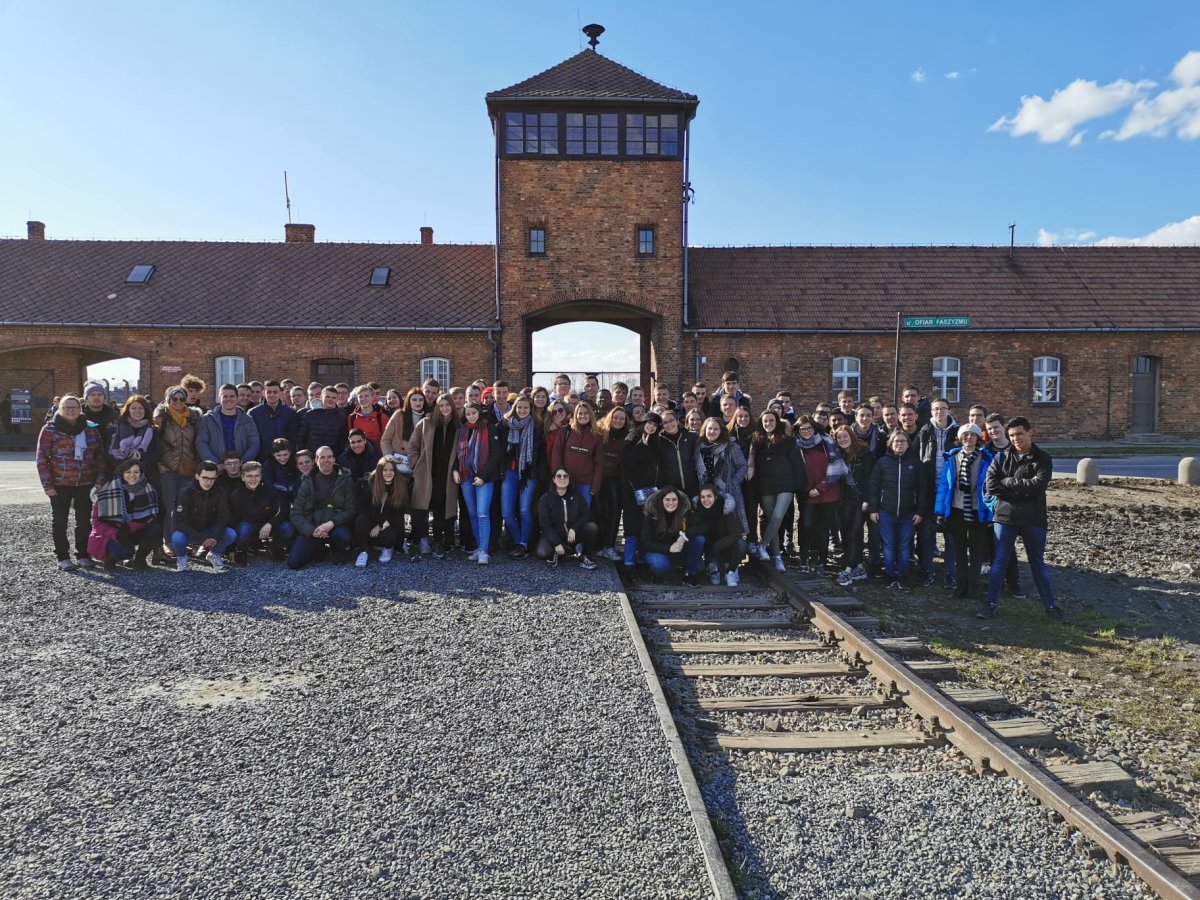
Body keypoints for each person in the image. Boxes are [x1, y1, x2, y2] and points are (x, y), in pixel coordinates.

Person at [981, 417, 1062, 621]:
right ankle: (990, 604)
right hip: (1005, 517)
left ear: (1029, 432)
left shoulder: (1042, 458)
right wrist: (1021, 488)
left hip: (1033, 518)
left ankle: (1050, 607)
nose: (1016, 439)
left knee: (1037, 563)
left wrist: (1007, 482)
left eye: (1019, 434)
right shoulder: (1000, 458)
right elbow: (991, 486)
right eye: (1012, 435)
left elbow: (1038, 486)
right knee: (999, 561)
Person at [37, 395, 105, 570]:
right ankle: (63, 557)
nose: (71, 410)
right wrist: (48, 485)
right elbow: (41, 459)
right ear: (60, 408)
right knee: (60, 521)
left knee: (83, 521)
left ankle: (83, 554)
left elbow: (100, 458)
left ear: (80, 408)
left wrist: (98, 482)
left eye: (75, 407)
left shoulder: (91, 430)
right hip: (60, 484)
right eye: (67, 407)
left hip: (85, 484)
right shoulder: (49, 429)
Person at [935, 424, 994, 601]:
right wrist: (940, 511)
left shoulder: (986, 458)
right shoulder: (952, 457)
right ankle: (961, 585)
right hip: (956, 509)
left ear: (978, 438)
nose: (969, 438)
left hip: (978, 510)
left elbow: (990, 487)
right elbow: (945, 486)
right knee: (959, 549)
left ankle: (974, 586)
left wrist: (991, 511)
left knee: (976, 550)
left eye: (973, 435)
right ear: (960, 438)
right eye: (965, 435)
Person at [867, 429, 928, 590]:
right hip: (886, 511)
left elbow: (922, 490)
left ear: (908, 444)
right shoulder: (882, 463)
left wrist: (920, 512)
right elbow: (873, 487)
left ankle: (902, 575)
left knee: (904, 545)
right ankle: (889, 575)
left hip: (908, 513)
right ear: (890, 444)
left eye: (903, 441)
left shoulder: (916, 464)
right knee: (888, 544)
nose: (899, 444)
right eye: (896, 441)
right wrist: (873, 509)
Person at [750, 409, 804, 572]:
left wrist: (799, 485)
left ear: (777, 422)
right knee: (771, 519)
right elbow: (753, 466)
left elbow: (798, 464)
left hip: (785, 484)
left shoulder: (788, 441)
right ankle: (777, 557)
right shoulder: (757, 442)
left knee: (778, 516)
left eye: (771, 421)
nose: (768, 424)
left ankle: (762, 545)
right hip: (766, 485)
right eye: (765, 421)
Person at [407, 393, 459, 558]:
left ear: (452, 406)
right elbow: (412, 446)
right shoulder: (426, 423)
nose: (444, 408)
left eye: (447, 405)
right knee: (420, 508)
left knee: (440, 509)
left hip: (446, 475)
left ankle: (438, 541)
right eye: (441, 405)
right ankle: (417, 542)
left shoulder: (458, 427)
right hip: (426, 472)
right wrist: (416, 465)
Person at [87, 458, 162, 571]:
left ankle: (139, 561)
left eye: (136, 472)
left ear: (141, 473)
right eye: (128, 472)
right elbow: (97, 521)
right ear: (122, 473)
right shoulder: (108, 490)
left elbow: (149, 517)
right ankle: (110, 559)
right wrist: (117, 532)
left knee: (155, 529)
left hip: (132, 530)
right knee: (126, 552)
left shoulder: (148, 490)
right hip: (111, 532)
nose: (132, 475)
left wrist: (129, 528)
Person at [288, 446, 357, 569]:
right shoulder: (307, 481)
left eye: (329, 457)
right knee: (294, 563)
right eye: (322, 457)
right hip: (313, 527)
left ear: (334, 459)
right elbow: (295, 513)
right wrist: (311, 530)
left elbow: (351, 509)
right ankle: (319, 548)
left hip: (335, 525)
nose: (326, 460)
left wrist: (331, 523)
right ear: (316, 461)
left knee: (342, 536)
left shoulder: (345, 480)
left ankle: (337, 549)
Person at [916, 398, 959, 588]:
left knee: (951, 535)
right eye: (936, 409)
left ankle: (950, 573)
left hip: (951, 492)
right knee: (927, 534)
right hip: (929, 491)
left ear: (949, 410)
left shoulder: (958, 432)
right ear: (931, 411)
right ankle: (928, 572)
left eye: (943, 409)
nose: (939, 412)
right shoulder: (924, 431)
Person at [454, 402, 502, 564]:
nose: (471, 416)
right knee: (472, 513)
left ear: (479, 413)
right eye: (468, 414)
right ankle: (480, 547)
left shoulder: (490, 428)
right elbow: (457, 455)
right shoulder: (462, 430)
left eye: (474, 413)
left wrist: (483, 476)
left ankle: (484, 551)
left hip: (484, 477)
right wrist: (455, 470)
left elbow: (496, 455)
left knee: (482, 513)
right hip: (466, 475)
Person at [795, 415, 843, 575]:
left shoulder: (827, 442)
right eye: (803, 429)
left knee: (823, 528)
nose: (806, 431)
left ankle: (822, 562)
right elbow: (794, 470)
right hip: (806, 494)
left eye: (809, 428)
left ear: (815, 428)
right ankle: (804, 559)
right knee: (806, 526)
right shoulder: (796, 446)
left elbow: (835, 466)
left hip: (828, 493)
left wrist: (821, 487)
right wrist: (808, 489)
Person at [500, 395, 544, 560]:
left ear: (530, 409)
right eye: (519, 407)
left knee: (525, 510)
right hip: (510, 472)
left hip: (528, 473)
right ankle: (519, 542)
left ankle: (523, 544)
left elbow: (540, 454)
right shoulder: (506, 425)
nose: (522, 410)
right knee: (507, 512)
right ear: (514, 408)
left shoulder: (537, 427)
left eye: (526, 407)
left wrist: (535, 472)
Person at [172, 460, 236, 572]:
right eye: (205, 478)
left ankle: (214, 554)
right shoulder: (185, 492)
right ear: (197, 476)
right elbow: (179, 521)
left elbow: (224, 517)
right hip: (190, 531)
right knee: (177, 538)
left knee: (231, 534)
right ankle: (182, 558)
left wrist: (214, 537)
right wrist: (201, 538)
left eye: (212, 479)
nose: (208, 482)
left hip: (210, 530)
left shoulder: (220, 492)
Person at [832, 426, 875, 587]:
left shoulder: (864, 454)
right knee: (845, 531)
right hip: (845, 497)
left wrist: (868, 500)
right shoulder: (839, 455)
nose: (842, 440)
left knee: (855, 532)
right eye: (839, 438)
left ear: (851, 436)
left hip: (860, 498)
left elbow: (872, 479)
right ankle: (859, 566)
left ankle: (848, 570)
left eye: (845, 436)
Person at [620, 413, 662, 569]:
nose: (651, 427)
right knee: (631, 526)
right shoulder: (632, 438)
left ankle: (642, 559)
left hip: (649, 490)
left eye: (655, 425)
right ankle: (629, 562)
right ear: (643, 423)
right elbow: (627, 462)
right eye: (649, 423)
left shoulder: (655, 441)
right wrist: (641, 447)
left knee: (646, 525)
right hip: (631, 490)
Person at [230, 460, 293, 564]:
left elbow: (282, 511)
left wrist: (270, 523)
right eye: (249, 476)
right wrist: (231, 549)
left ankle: (274, 546)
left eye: (256, 475)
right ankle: (242, 550)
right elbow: (232, 521)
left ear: (261, 476)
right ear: (242, 477)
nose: (253, 479)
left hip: (268, 526)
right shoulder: (236, 495)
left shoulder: (270, 490)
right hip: (249, 527)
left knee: (287, 527)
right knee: (244, 529)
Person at [695, 416, 748, 537]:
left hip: (727, 492)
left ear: (721, 431)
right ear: (705, 430)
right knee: (711, 527)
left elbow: (743, 466)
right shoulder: (699, 448)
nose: (712, 431)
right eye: (709, 428)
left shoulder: (731, 446)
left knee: (729, 528)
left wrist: (734, 482)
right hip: (707, 495)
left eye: (716, 429)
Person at [639, 486, 705, 584]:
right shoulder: (652, 515)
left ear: (678, 501)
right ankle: (657, 574)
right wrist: (668, 548)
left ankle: (689, 574)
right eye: (667, 499)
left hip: (679, 549)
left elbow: (703, 526)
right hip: (657, 551)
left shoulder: (684, 513)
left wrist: (684, 536)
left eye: (674, 499)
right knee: (660, 564)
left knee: (699, 539)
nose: (671, 503)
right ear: (661, 500)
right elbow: (645, 542)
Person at [535, 468, 598, 569]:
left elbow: (586, 514)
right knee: (542, 553)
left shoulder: (577, 495)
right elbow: (544, 524)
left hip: (573, 536)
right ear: (554, 479)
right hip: (556, 535)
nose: (562, 478)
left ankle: (585, 555)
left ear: (569, 479)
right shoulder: (545, 498)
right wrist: (557, 543)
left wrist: (574, 528)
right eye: (559, 476)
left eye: (565, 476)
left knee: (592, 527)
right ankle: (561, 551)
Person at [353, 457, 408, 566]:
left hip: (390, 523)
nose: (388, 473)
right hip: (372, 522)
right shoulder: (369, 483)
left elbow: (399, 514)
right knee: (361, 520)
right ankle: (363, 551)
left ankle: (388, 548)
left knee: (389, 536)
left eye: (391, 470)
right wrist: (380, 522)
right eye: (385, 470)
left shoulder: (400, 485)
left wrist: (380, 525)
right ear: (379, 471)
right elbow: (363, 508)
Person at [550, 402, 603, 509]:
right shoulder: (565, 431)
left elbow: (599, 463)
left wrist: (595, 487)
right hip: (565, 481)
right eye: (580, 413)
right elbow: (556, 454)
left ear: (591, 415)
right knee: (564, 513)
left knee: (582, 514)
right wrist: (558, 476)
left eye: (586, 413)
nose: (583, 416)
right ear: (575, 415)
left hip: (585, 483)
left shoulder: (596, 436)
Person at [693, 483, 746, 586]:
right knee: (700, 539)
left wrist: (718, 545)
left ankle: (731, 571)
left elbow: (736, 534)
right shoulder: (697, 511)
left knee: (741, 544)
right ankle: (713, 569)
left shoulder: (725, 509)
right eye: (702, 497)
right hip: (709, 550)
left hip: (725, 546)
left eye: (709, 496)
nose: (706, 500)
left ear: (715, 497)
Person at [595, 406, 630, 561]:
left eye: (622, 418)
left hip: (616, 479)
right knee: (599, 511)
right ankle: (598, 544)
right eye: (616, 417)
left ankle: (609, 545)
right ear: (610, 417)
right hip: (599, 477)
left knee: (615, 511)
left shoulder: (628, 437)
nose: (618, 421)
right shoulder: (601, 433)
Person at [197, 383, 260, 465]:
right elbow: (201, 443)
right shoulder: (207, 419)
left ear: (237, 398)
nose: (228, 399)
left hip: (241, 468)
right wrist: (215, 464)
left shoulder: (248, 420)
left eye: (232, 396)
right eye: (225, 396)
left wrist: (242, 462)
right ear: (220, 398)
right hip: (216, 469)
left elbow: (254, 444)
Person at [108, 394, 159, 482]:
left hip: (146, 475)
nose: (137, 411)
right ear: (128, 410)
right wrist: (126, 466)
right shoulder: (116, 428)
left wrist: (140, 462)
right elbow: (109, 452)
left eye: (141, 408)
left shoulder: (152, 430)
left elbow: (157, 454)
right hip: (121, 475)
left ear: (145, 410)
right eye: (134, 408)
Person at [250, 380, 298, 462]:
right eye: (269, 392)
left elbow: (293, 438)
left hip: (284, 459)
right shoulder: (253, 413)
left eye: (275, 392)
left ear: (280, 393)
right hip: (261, 458)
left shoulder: (290, 413)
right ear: (263, 393)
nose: (272, 395)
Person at [657, 408, 699, 499]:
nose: (669, 424)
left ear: (677, 421)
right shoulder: (659, 442)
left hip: (693, 487)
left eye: (671, 420)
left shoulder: (691, 437)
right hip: (672, 490)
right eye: (665, 422)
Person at [298, 386, 350, 457]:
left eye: (334, 398)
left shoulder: (342, 416)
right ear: (321, 397)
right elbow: (302, 437)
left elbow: (343, 439)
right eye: (327, 397)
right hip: (312, 456)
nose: (330, 400)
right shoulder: (309, 415)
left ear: (337, 399)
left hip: (332, 457)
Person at [347, 384, 389, 450]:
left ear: (372, 397)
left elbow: (386, 440)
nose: (363, 399)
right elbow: (351, 439)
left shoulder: (382, 417)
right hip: (358, 454)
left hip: (376, 454)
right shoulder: (352, 418)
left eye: (366, 396)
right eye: (360, 396)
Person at [81, 379, 118, 443]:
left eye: (99, 394)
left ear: (104, 398)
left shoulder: (114, 416)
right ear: (86, 398)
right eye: (92, 395)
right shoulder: (78, 415)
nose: (96, 397)